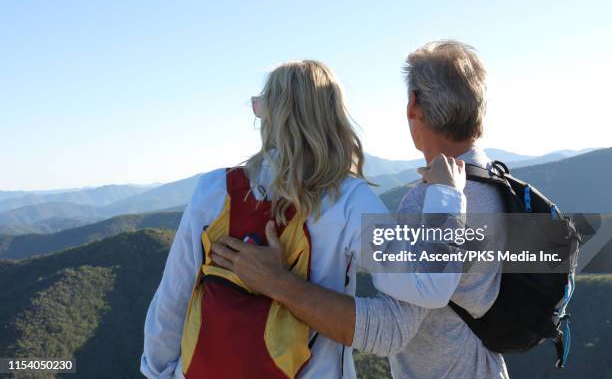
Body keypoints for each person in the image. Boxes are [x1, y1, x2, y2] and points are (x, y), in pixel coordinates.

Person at [140, 59, 467, 379]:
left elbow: (172, 301)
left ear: (272, 117)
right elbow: (429, 285)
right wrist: (447, 195)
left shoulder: (213, 190)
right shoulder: (348, 200)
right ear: (333, 118)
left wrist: (159, 372)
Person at [213, 41, 510, 378]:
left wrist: (278, 284)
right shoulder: (503, 189)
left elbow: (391, 329)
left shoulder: (431, 202)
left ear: (413, 104)